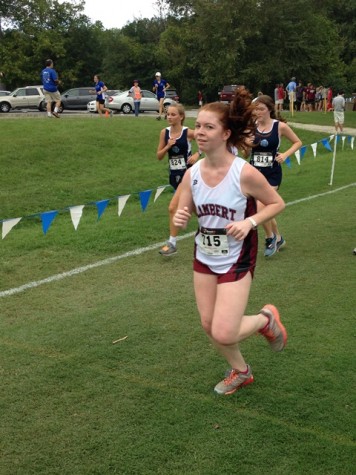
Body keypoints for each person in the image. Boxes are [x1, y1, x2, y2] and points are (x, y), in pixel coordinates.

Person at [173, 89, 287, 396]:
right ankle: (241, 371)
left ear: (225, 133)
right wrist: (182, 217)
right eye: (198, 126)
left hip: (238, 257)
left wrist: (250, 222)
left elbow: (277, 203)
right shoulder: (193, 173)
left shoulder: (244, 173)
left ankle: (266, 319)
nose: (199, 132)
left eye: (208, 127)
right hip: (204, 255)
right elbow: (184, 208)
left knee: (224, 330)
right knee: (209, 326)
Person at [250, 94, 302, 257]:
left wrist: (285, 155)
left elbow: (298, 142)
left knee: (260, 208)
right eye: (256, 109)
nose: (257, 112)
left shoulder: (279, 126)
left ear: (269, 109)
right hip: (255, 174)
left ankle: (270, 238)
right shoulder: (253, 126)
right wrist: (247, 142)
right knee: (265, 208)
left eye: (261, 109)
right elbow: (246, 151)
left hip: (272, 173)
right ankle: (278, 238)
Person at [157, 103, 200, 256]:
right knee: (195, 207)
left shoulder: (187, 132)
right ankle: (217, 227)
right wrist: (168, 146)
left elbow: (204, 138)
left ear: (181, 117)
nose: (169, 117)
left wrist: (197, 154)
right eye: (168, 114)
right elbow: (159, 156)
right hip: (174, 175)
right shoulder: (164, 133)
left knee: (173, 208)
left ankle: (172, 243)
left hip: (188, 175)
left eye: (173, 114)